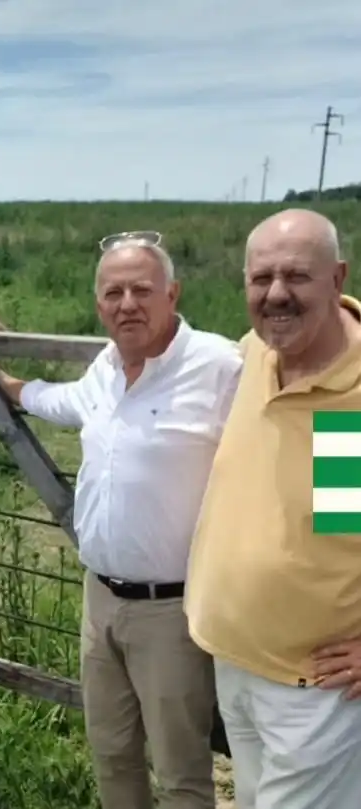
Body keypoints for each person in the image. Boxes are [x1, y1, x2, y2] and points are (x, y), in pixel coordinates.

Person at [0, 232, 240, 809]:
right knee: (113, 754)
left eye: (142, 290)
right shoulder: (106, 367)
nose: (128, 303)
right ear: (99, 304)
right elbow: (50, 398)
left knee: (181, 773)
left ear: (172, 293)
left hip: (173, 613)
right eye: (113, 292)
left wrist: (340, 510)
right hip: (99, 602)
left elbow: (306, 429)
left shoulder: (221, 367)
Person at [185, 208, 361, 809]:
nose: (276, 295)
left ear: (337, 277)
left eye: (297, 276)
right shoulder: (255, 356)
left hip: (317, 687)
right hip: (236, 660)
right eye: (261, 279)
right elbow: (342, 527)